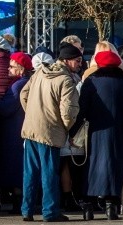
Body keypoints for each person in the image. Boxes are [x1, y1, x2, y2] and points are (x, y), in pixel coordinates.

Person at [75, 50, 123, 220]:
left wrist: (74, 131)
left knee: (93, 165)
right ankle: (112, 204)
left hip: (96, 130)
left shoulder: (91, 82)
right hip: (120, 131)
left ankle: (88, 205)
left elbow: (82, 109)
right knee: (116, 166)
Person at [19, 42, 80, 222]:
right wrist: (67, 129)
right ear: (67, 61)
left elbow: (24, 94)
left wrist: (32, 114)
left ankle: (26, 210)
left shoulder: (40, 72)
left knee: (30, 173)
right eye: (77, 60)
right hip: (50, 132)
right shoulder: (65, 80)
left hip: (31, 129)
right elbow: (68, 112)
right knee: (49, 174)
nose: (80, 63)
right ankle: (50, 212)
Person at [0, 52, 33, 215]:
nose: (8, 69)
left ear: (20, 68)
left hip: (13, 130)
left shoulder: (17, 86)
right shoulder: (29, 82)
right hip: (22, 129)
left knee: (15, 167)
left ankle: (18, 202)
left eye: (11, 66)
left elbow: (4, 108)